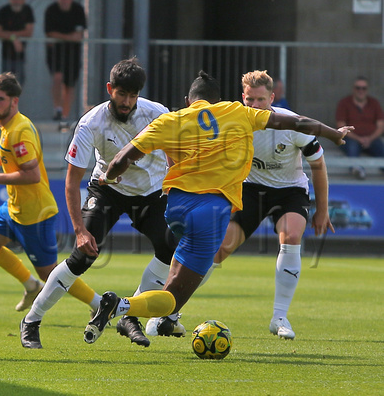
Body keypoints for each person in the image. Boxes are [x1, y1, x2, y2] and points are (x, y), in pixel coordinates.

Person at [83, 71, 353, 345]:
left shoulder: (170, 120)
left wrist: (110, 176)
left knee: (175, 269)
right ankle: (122, 307)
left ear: (189, 100)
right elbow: (299, 122)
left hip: (175, 208)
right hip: (210, 212)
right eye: (251, 99)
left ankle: (160, 317)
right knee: (172, 299)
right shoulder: (237, 113)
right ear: (221, 100)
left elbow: (121, 158)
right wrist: (334, 134)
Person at [19, 58, 180, 349]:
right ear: (110, 89)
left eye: (133, 96)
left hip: (152, 192)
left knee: (171, 248)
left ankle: (129, 314)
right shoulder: (90, 123)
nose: (127, 102)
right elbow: (71, 182)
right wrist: (80, 231)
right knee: (82, 257)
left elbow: (174, 156)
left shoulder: (157, 114)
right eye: (121, 95)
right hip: (108, 189)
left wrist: (173, 187)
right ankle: (32, 320)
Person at [196, 70, 334, 340]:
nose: (255, 106)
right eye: (250, 100)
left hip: (289, 191)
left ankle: (279, 317)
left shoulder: (293, 124)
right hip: (251, 189)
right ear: (242, 98)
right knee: (220, 248)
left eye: (261, 100)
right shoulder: (234, 121)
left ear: (272, 98)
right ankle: (171, 308)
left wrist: (323, 210)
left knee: (292, 235)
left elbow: (318, 166)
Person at [0, 73, 101, 338]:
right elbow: (16, 158)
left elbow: (32, 175)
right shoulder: (9, 126)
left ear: (14, 101)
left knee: (53, 274)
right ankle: (30, 285)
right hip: (13, 208)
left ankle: (98, 304)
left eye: (0, 99)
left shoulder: (20, 129)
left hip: (36, 215)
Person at [44, 0, 86, 121]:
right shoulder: (51, 10)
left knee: (69, 85)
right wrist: (69, 37)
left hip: (73, 53)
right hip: (55, 52)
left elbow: (79, 34)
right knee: (57, 78)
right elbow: (50, 33)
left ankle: (65, 115)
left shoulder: (78, 10)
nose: (65, 1)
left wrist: (61, 37)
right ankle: (57, 108)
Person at [335, 76, 384, 180]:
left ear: (367, 90)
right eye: (358, 88)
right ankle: (357, 169)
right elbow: (341, 126)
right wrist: (359, 139)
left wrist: (369, 139)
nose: (361, 91)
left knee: (381, 148)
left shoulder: (374, 103)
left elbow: (381, 126)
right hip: (351, 138)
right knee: (352, 146)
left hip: (371, 139)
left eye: (364, 88)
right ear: (353, 89)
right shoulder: (344, 103)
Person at [0, 0, 35, 85]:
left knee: (18, 84)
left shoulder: (27, 10)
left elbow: (29, 32)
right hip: (3, 54)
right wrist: (13, 38)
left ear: (23, 0)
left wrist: (11, 35)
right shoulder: (4, 11)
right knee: (2, 84)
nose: (16, 1)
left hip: (19, 55)